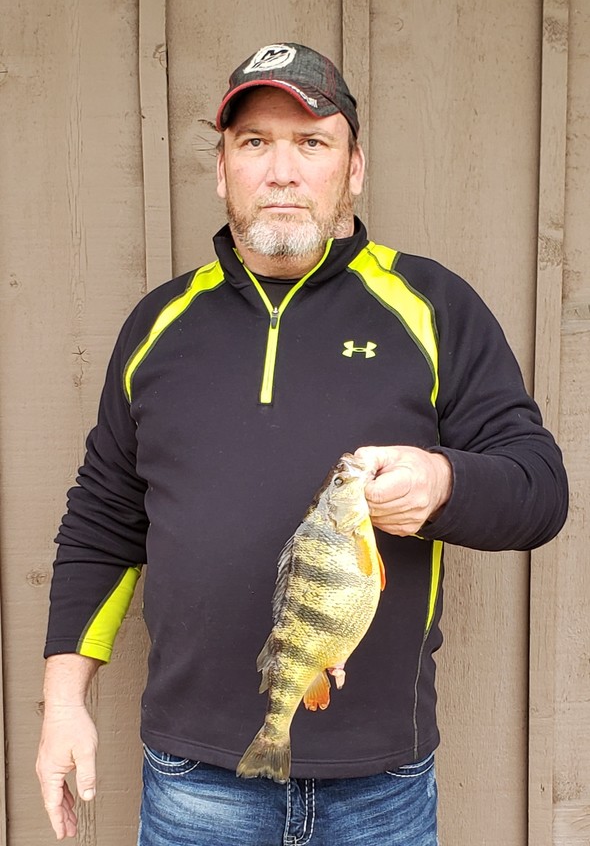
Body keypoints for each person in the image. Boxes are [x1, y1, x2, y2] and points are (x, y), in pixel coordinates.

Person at [36, 42, 568, 845]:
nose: (281, 171)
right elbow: (103, 523)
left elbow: (539, 488)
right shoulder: (158, 327)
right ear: (222, 170)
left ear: (353, 168)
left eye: (311, 142)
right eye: (255, 143)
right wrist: (65, 704)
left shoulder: (434, 307)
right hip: (192, 787)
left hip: (381, 791)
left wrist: (442, 482)